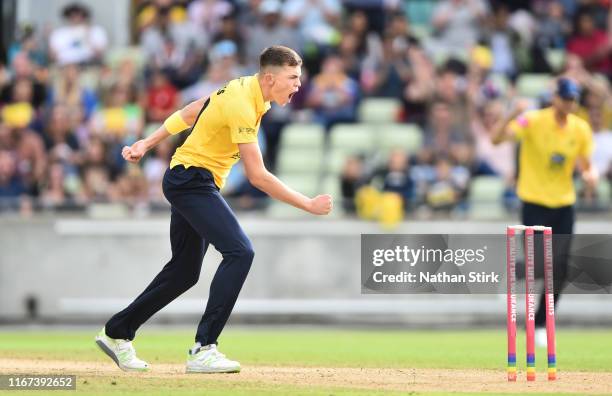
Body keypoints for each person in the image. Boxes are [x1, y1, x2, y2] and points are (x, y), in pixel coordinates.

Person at [95, 46, 333, 373]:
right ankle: (204, 348)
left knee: (184, 272)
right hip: (192, 181)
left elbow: (194, 110)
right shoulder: (242, 103)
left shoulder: (246, 89)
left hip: (186, 178)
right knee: (240, 252)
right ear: (269, 77)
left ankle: (117, 332)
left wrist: (146, 144)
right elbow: (257, 176)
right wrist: (307, 203)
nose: (298, 85)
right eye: (292, 78)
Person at [491, 77, 598, 347]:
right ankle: (515, 273)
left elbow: (585, 164)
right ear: (555, 98)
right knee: (539, 261)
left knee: (560, 268)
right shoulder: (534, 120)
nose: (569, 104)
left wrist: (589, 176)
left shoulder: (580, 128)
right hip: (534, 201)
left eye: (573, 99)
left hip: (563, 203)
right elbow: (497, 139)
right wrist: (511, 114)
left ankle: (541, 322)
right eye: (565, 98)